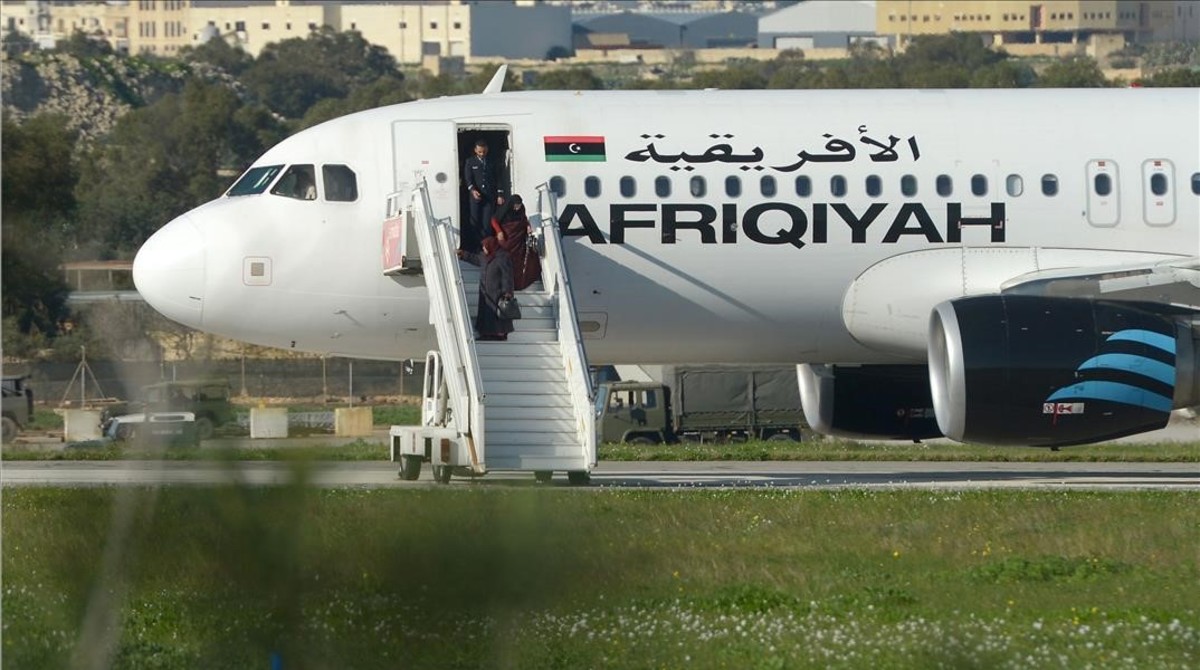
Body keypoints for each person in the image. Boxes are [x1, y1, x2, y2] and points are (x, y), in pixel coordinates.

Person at [458, 236, 515, 341]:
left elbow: (507, 276)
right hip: (486, 291)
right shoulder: (485, 256)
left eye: (485, 246)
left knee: (498, 314)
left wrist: (508, 292)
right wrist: (463, 255)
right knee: (486, 313)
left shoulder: (502, 257)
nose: (483, 249)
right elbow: (475, 259)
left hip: (498, 292)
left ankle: (500, 334)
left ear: (491, 245)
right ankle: (486, 333)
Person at [489, 194, 542, 290]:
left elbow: (524, 219)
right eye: (516, 205)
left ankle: (517, 283)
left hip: (518, 240)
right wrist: (499, 231)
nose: (517, 208)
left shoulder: (521, 210)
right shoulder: (505, 210)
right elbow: (494, 220)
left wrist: (528, 226)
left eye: (519, 205)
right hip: (507, 239)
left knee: (518, 262)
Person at [462, 139, 504, 252]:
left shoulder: (492, 161)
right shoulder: (470, 162)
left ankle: (486, 246)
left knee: (487, 222)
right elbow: (468, 178)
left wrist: (500, 194)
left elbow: (498, 178)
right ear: (475, 150)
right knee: (474, 221)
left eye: (484, 152)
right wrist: (472, 190)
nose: (482, 154)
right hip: (475, 196)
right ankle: (475, 246)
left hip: (489, 196)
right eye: (480, 152)